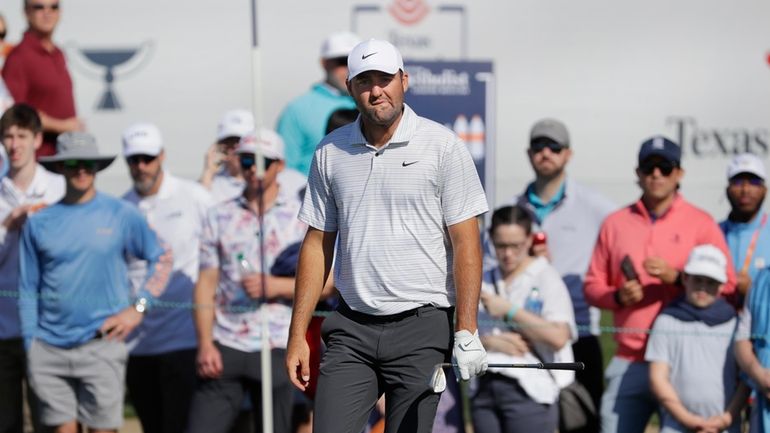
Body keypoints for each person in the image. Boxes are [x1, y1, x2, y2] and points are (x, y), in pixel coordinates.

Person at [285, 39, 489, 433]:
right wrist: (297, 335)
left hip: (423, 327)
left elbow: (467, 242)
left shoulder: (442, 146)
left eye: (384, 79)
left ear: (404, 80)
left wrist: (466, 330)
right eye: (364, 81)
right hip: (351, 329)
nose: (375, 90)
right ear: (350, 88)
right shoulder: (330, 151)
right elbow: (316, 244)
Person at [18, 131, 172, 433]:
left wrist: (137, 309)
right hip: (48, 350)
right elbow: (26, 288)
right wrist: (30, 345)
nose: (81, 169)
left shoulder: (121, 213)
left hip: (103, 346)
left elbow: (162, 257)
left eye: (88, 163)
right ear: (60, 167)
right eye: (72, 162)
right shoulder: (39, 222)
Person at [584, 135, 737, 433]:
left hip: (688, 362)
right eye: (649, 166)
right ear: (638, 173)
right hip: (631, 358)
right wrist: (618, 297)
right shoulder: (615, 223)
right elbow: (592, 285)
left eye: (665, 167)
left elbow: (728, 287)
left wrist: (679, 279)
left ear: (679, 173)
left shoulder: (701, 222)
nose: (656, 174)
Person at [188, 130, 306, 433]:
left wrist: (276, 286)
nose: (254, 169)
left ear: (279, 165)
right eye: (247, 160)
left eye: (264, 162)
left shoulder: (302, 218)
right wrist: (204, 343)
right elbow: (205, 283)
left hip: (278, 342)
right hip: (226, 342)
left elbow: (330, 283)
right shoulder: (219, 215)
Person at [512, 118, 614, 426]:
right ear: (529, 154)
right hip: (524, 338)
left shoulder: (596, 207)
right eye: (539, 147)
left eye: (554, 147)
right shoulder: (511, 210)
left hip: (578, 333)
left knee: (581, 425)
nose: (546, 153)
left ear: (568, 154)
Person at [120, 123, 214, 433]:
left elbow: (218, 257)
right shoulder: (121, 208)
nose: (141, 167)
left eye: (147, 158)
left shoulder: (194, 196)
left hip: (185, 339)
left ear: (162, 156)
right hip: (137, 345)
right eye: (134, 160)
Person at [474, 205, 577, 433]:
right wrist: (490, 343)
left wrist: (509, 311)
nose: (508, 254)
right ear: (490, 239)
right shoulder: (484, 278)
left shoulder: (545, 277)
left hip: (531, 389)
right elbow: (461, 333)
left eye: (515, 245)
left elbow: (559, 336)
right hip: (485, 387)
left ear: (530, 240)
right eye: (501, 245)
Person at [0, 104, 64, 433]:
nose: (14, 145)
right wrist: (8, 224)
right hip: (4, 329)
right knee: (6, 421)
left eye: (22, 136)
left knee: (51, 421)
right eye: (8, 137)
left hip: (49, 327)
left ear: (38, 140)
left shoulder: (59, 188)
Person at [646, 244, 748, 433]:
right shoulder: (666, 321)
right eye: (697, 280)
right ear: (685, 278)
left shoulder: (735, 324)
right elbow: (658, 378)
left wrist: (726, 419)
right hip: (676, 424)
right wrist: (689, 420)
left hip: (724, 425)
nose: (703, 287)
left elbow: (744, 379)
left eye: (711, 282)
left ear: (722, 286)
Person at [2, 0, 84, 158]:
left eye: (54, 7)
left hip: (66, 156)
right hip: (39, 161)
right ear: (26, 12)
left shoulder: (58, 53)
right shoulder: (19, 57)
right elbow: (15, 112)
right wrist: (62, 126)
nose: (47, 12)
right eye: (39, 7)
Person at [276, 31, 361, 176]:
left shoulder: (374, 103)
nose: (349, 69)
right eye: (342, 61)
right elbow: (284, 170)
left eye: (356, 62)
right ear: (324, 63)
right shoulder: (297, 109)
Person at [200, 109, 306, 203]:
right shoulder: (212, 183)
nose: (237, 148)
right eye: (229, 142)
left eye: (242, 141)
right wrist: (208, 173)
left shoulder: (294, 181)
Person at [720, 153, 770, 301]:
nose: (745, 189)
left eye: (754, 182)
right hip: (719, 321)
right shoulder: (713, 232)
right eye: (738, 181)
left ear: (764, 190)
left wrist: (754, 290)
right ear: (727, 189)